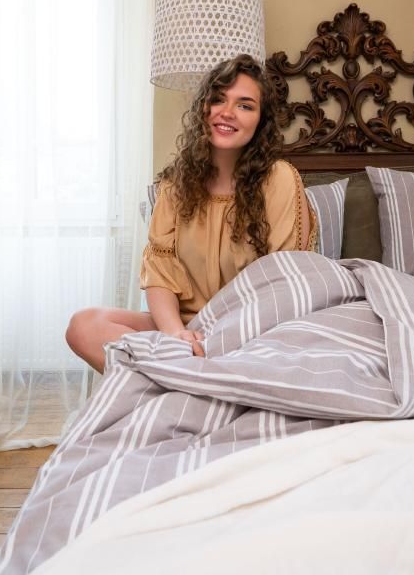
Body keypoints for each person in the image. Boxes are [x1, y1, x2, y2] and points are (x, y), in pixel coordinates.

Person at [65, 53, 316, 372]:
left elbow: (283, 284)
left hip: (253, 331)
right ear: (203, 108)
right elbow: (160, 276)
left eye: (245, 105)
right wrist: (176, 335)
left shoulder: (280, 179)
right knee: (84, 325)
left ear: (261, 121)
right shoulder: (174, 185)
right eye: (218, 99)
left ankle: (179, 379)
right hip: (185, 330)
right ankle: (190, 374)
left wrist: (222, 340)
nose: (227, 112)